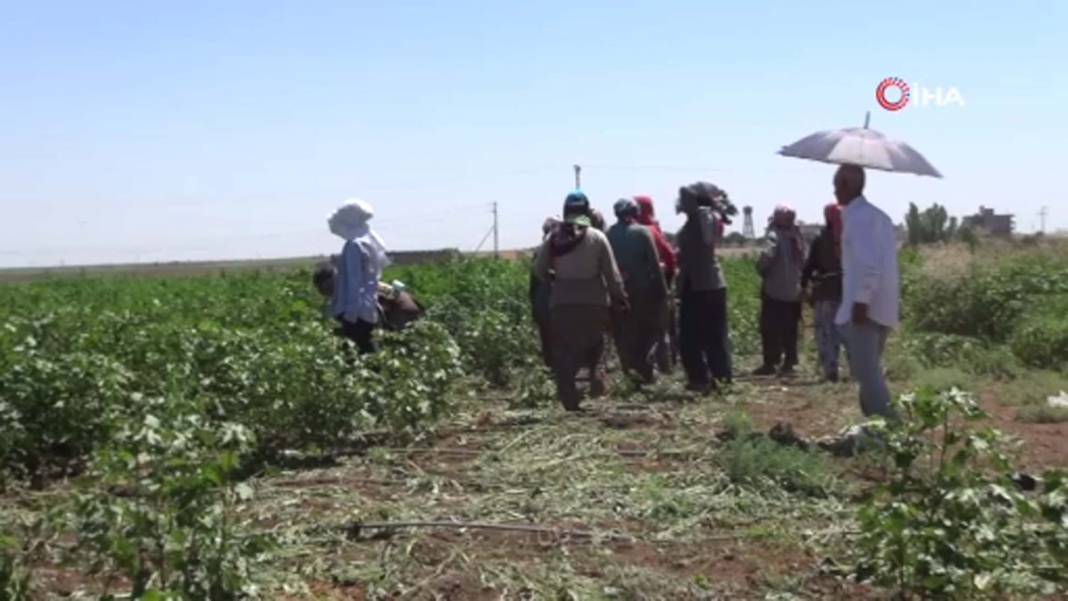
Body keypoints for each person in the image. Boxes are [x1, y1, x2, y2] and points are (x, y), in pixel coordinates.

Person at [534, 192, 628, 411]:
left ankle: (569, 398)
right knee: (595, 343)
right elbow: (611, 275)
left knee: (564, 351)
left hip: (562, 303)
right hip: (594, 302)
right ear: (586, 212)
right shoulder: (597, 237)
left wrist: (557, 280)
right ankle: (595, 374)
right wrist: (620, 298)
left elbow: (539, 271)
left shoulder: (553, 238)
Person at [834, 164, 899, 419]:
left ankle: (888, 427)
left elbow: (870, 266)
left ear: (848, 186)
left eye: (837, 185)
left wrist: (861, 301)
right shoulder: (876, 216)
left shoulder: (860, 219)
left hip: (867, 307)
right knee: (868, 369)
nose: (835, 191)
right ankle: (874, 425)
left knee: (866, 372)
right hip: (882, 305)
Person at [675, 182, 733, 392]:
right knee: (701, 336)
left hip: (704, 285)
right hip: (699, 284)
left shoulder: (703, 217)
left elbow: (707, 239)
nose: (681, 203)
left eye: (685, 199)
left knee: (703, 336)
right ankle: (712, 377)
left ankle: (712, 379)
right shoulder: (696, 220)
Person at [606, 198, 669, 384]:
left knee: (624, 332)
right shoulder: (643, 232)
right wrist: (663, 293)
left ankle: (629, 371)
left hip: (619, 291)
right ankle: (645, 370)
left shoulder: (609, 234)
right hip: (643, 291)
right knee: (646, 331)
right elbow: (655, 265)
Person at [326, 199, 390, 354]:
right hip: (367, 309)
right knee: (369, 351)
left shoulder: (354, 245)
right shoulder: (368, 241)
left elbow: (355, 285)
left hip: (356, 311)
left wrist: (350, 316)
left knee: (358, 355)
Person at [754, 205, 806, 377]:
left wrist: (761, 269)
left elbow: (766, 257)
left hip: (774, 290)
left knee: (770, 328)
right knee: (790, 328)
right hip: (794, 291)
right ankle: (790, 362)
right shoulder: (797, 236)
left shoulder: (773, 235)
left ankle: (771, 363)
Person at [802, 203, 845, 382]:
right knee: (844, 331)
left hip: (825, 291)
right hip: (846, 291)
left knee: (825, 331)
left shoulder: (820, 238)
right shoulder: (850, 236)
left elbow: (809, 265)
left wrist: (803, 284)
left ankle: (830, 368)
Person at [634, 196, 678, 373]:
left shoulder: (635, 231)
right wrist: (668, 280)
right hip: (658, 285)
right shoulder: (653, 230)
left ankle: (644, 370)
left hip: (637, 289)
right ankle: (666, 367)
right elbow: (670, 257)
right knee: (661, 330)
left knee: (643, 332)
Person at [529, 218, 557, 366]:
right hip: (560, 299)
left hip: (543, 299)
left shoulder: (539, 251)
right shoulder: (565, 247)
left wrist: (533, 305)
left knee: (546, 337)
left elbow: (533, 283)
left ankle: (550, 368)